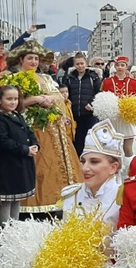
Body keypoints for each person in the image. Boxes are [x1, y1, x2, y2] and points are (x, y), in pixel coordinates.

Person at [6, 40, 81, 214]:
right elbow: (11, 104)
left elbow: (58, 97)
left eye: (36, 59)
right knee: (40, 163)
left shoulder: (46, 77)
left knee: (59, 163)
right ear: (20, 59)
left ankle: (61, 198)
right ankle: (36, 204)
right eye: (30, 58)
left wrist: (55, 106)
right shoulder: (13, 78)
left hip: (54, 126)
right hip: (33, 127)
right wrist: (35, 100)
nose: (33, 62)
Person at [0, 85, 38, 226]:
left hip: (21, 163)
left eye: (16, 99)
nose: (13, 102)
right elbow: (3, 141)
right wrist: (24, 149)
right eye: (9, 99)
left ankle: (14, 226)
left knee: (17, 198)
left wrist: (34, 144)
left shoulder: (17, 115)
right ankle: (5, 229)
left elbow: (29, 132)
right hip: (8, 164)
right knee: (7, 199)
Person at [61, 119, 124, 229]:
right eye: (83, 162)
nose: (85, 168)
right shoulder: (70, 195)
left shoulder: (123, 199)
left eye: (94, 162)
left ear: (113, 167)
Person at [101, 55, 136, 156]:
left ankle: (130, 169)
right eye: (117, 65)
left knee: (127, 148)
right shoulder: (107, 82)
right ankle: (114, 169)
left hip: (127, 118)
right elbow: (103, 98)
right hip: (113, 117)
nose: (119, 67)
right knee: (112, 148)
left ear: (126, 67)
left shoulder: (134, 82)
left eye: (122, 65)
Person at [64, 51, 102, 154]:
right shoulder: (69, 78)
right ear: (74, 65)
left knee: (91, 140)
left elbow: (99, 93)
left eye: (82, 63)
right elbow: (66, 94)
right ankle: (79, 163)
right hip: (75, 114)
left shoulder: (93, 77)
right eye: (77, 64)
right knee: (78, 141)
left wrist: (92, 104)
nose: (80, 66)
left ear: (86, 63)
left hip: (89, 114)